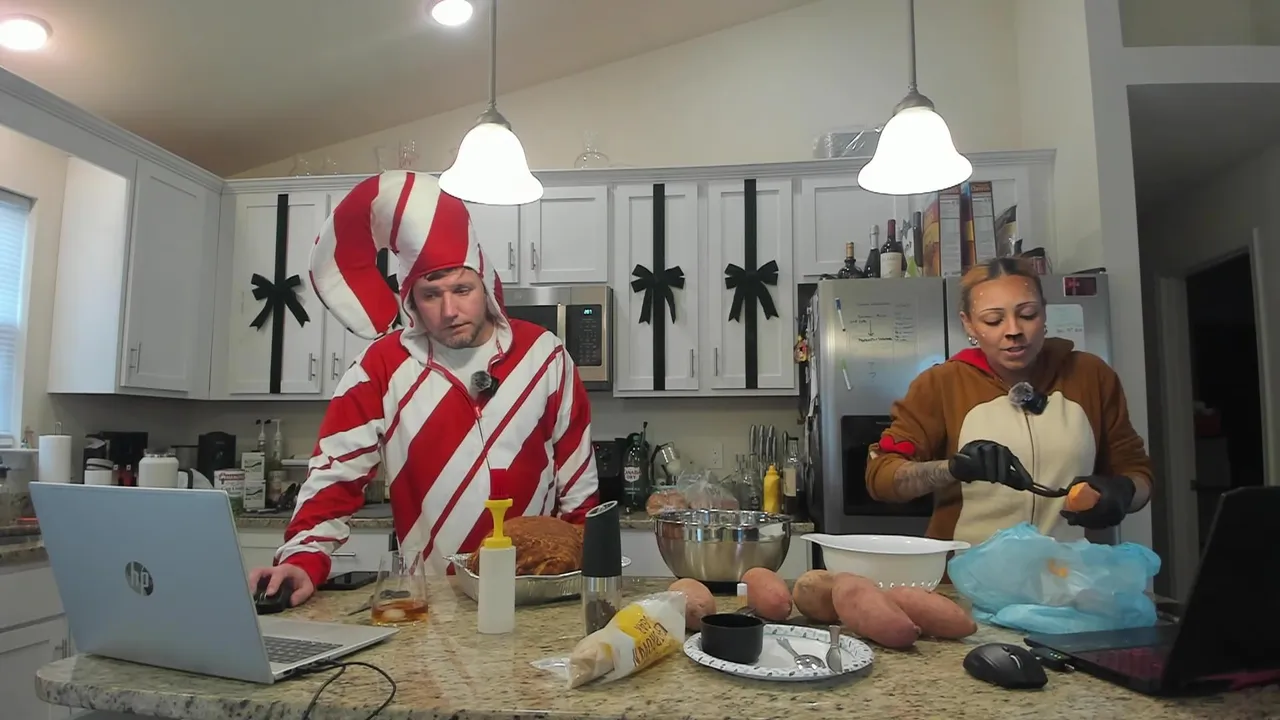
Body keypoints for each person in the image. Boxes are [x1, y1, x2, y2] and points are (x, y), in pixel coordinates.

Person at [249, 171, 599, 606]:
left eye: (462, 289)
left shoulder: (545, 355)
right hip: (431, 599)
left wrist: (583, 583)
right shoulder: (380, 367)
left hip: (536, 593)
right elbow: (334, 475)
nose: (450, 310)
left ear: (487, 284)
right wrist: (302, 559)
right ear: (410, 299)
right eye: (431, 294)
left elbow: (579, 487)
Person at [865, 257, 1153, 547]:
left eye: (1028, 314)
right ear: (968, 324)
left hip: (1073, 570)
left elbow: (1137, 472)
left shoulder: (1091, 376)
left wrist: (1124, 491)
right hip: (969, 571)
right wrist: (953, 468)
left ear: (1044, 313)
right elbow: (881, 475)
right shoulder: (940, 385)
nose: (1013, 330)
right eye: (993, 320)